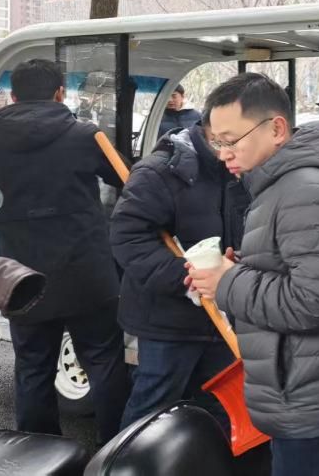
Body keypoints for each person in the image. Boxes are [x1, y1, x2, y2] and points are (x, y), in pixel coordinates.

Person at [0, 59, 129, 443]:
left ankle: (39, 454)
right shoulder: (85, 137)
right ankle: (117, 452)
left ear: (12, 97)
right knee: (104, 364)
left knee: (33, 369)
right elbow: (130, 180)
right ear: (60, 93)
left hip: (23, 279)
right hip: (88, 274)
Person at [186, 74, 319, 476]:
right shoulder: (281, 184)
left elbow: (317, 301)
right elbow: (302, 268)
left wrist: (228, 282)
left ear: (276, 129)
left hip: (316, 401)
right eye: (217, 142)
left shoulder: (304, 190)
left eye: (231, 140)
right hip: (309, 387)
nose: (223, 154)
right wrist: (241, 267)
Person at [110, 112, 250, 432]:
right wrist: (185, 277)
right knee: (152, 410)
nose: (234, 151)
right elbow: (128, 238)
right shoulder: (159, 171)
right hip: (167, 321)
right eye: (230, 140)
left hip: (223, 315)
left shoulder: (241, 169)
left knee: (219, 407)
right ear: (212, 128)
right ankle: (129, 458)